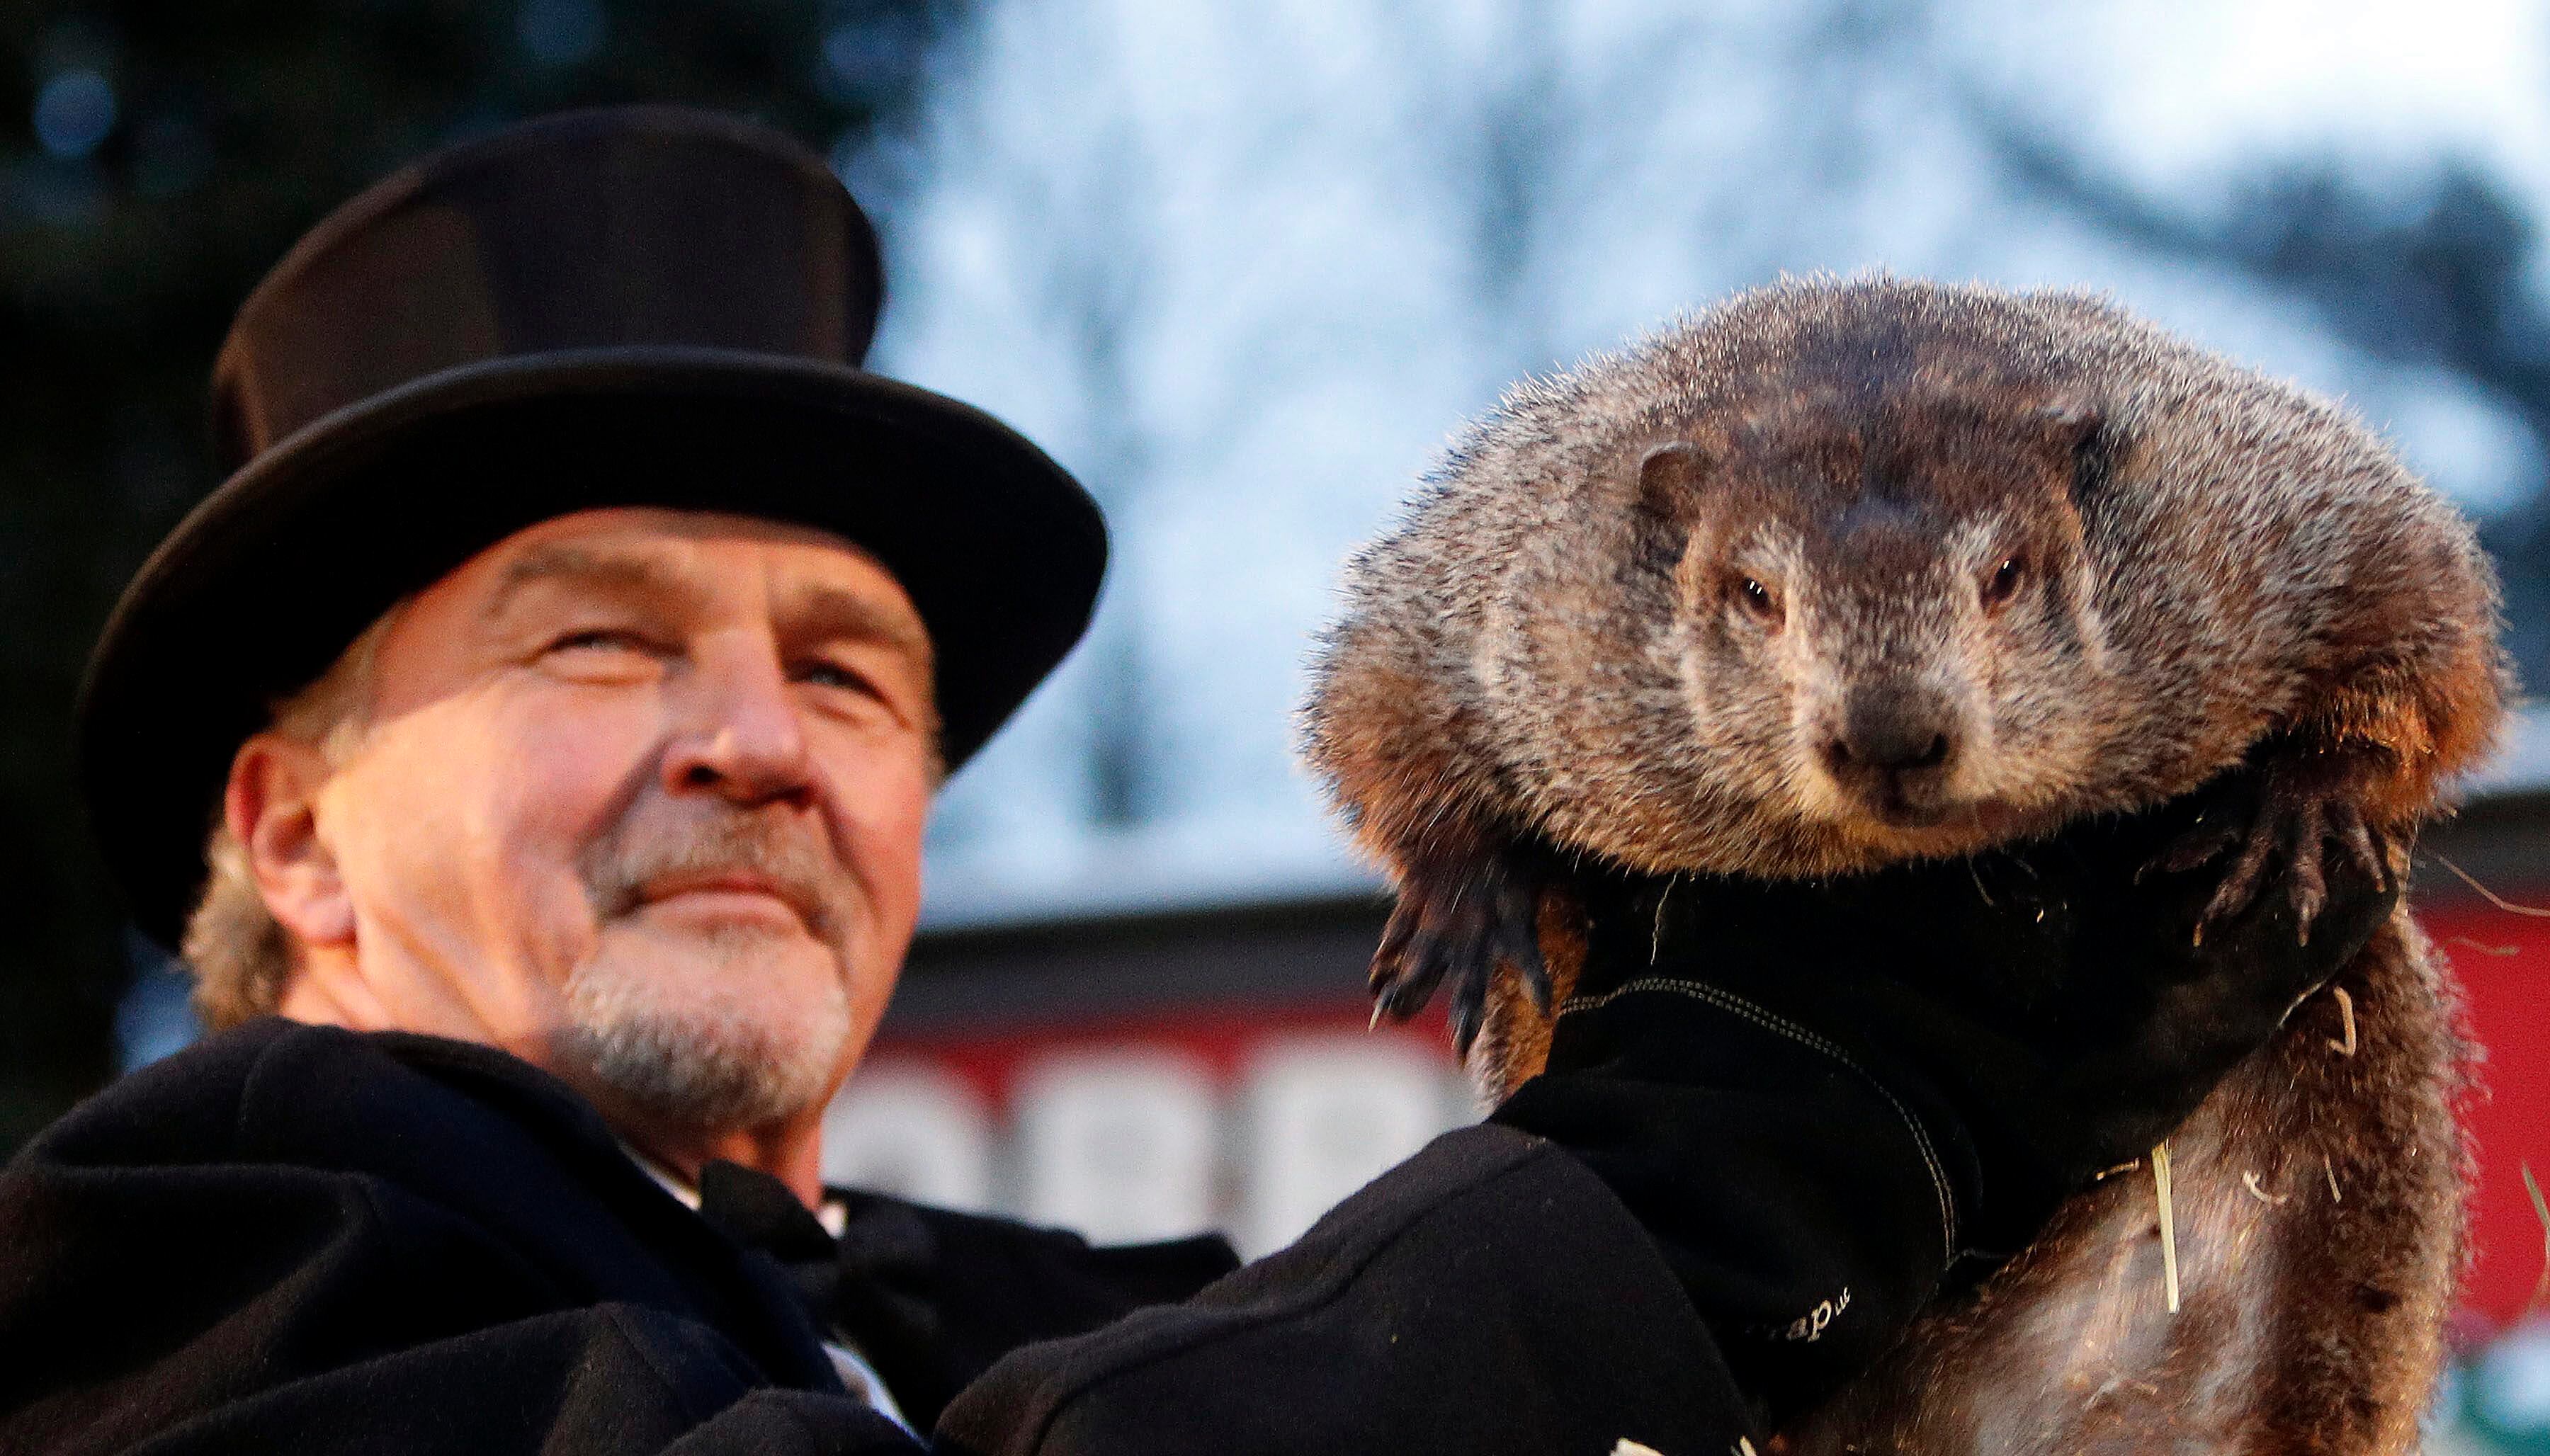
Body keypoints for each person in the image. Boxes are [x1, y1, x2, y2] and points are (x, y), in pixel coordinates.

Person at [0, 107, 2393, 1455]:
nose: (754, 737)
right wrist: (1752, 1151)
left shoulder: (1045, 1313)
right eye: (601, 639)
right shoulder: (189, 1282)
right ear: (289, 829)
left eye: (850, 674)